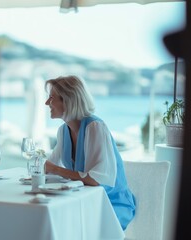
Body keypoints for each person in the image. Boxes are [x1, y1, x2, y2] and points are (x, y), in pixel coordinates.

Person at [44, 75, 136, 230]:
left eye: (52, 98)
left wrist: (54, 169)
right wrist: (45, 169)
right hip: (83, 201)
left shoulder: (95, 127)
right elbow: (48, 168)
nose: (47, 103)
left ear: (68, 100)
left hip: (110, 204)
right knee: (55, 222)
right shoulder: (63, 131)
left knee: (66, 225)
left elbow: (95, 179)